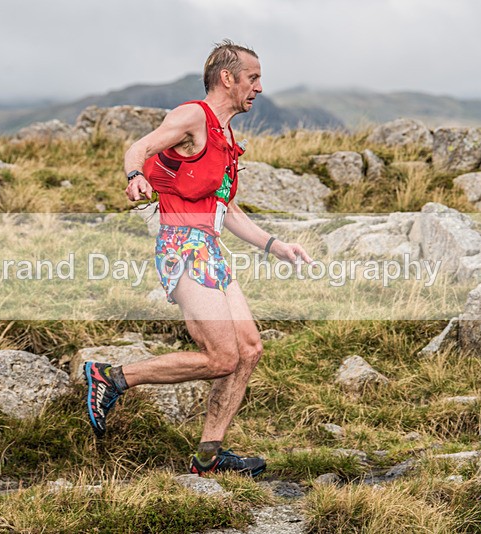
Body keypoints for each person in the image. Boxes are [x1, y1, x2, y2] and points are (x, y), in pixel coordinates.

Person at [83, 39, 313, 477]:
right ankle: (111, 378)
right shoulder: (193, 117)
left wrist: (274, 245)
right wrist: (134, 176)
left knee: (248, 349)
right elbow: (139, 148)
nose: (259, 87)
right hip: (182, 247)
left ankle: (209, 456)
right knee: (221, 356)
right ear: (228, 78)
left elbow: (225, 208)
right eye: (253, 78)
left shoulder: (226, 136)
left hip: (211, 248)